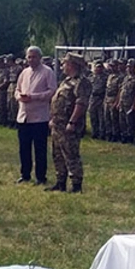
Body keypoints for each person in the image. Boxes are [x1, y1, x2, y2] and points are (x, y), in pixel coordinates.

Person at [46, 53, 92, 193]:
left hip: (69, 125)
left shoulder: (81, 82)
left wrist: (72, 122)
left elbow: (81, 103)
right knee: (57, 154)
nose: (62, 66)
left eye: (65, 63)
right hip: (58, 124)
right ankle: (60, 182)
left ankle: (76, 185)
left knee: (71, 155)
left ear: (72, 65)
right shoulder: (66, 81)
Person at [14, 46, 57, 185]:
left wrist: (33, 97)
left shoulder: (47, 72)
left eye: (34, 57)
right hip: (23, 116)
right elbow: (17, 89)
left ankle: (40, 177)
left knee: (40, 149)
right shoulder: (24, 72)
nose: (31, 59)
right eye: (29, 57)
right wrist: (19, 97)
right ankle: (25, 174)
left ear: (40, 57)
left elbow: (52, 91)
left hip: (39, 117)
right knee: (24, 148)